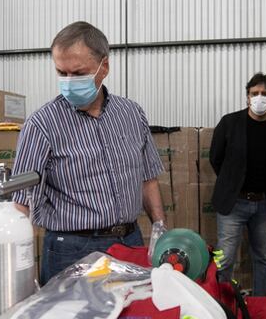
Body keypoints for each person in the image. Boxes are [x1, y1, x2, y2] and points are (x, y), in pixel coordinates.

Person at [11, 21, 165, 285]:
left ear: (103, 67)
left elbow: (148, 177)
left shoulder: (131, 114)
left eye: (78, 73)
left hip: (130, 241)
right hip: (71, 249)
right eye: (62, 73)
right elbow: (21, 201)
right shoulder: (42, 124)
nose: (69, 83)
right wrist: (7, 259)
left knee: (131, 317)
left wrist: (160, 229)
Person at [209, 73, 266, 295]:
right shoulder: (229, 123)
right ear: (247, 97)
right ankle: (222, 303)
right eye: (254, 93)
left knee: (262, 259)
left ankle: (259, 305)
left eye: (265, 94)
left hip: (264, 204)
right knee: (224, 258)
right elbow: (215, 158)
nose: (259, 98)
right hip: (233, 203)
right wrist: (232, 182)